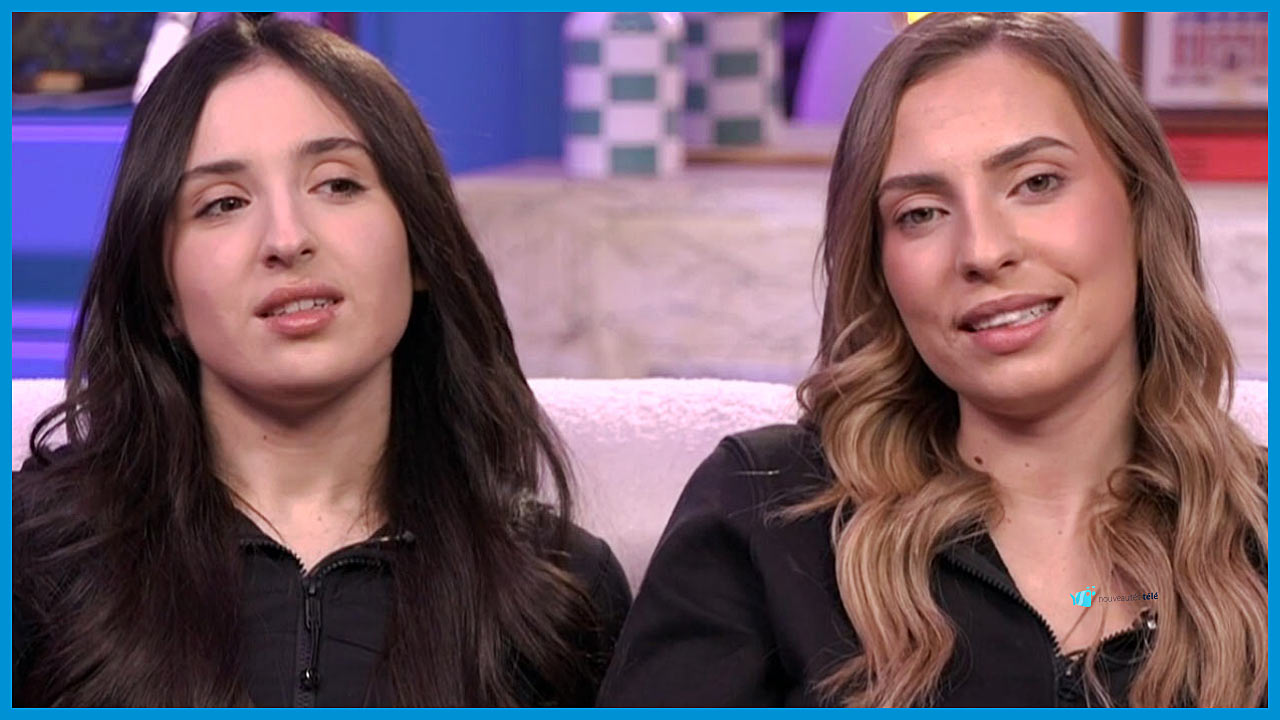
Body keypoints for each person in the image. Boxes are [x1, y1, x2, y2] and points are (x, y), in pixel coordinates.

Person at [599, 12, 1266, 708]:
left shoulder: (1259, 532)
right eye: (920, 213)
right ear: (880, 266)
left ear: (1138, 199)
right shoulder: (767, 516)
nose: (982, 251)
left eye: (1036, 182)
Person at [13, 15, 630, 707]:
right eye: (223, 203)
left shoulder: (560, 591)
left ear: (419, 249)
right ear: (163, 297)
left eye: (337, 185)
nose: (287, 239)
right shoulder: (32, 559)